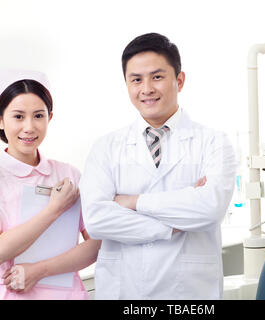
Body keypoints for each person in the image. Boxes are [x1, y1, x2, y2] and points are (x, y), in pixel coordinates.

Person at [79, 33, 236, 299]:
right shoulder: (105, 147)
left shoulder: (213, 142)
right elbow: (96, 220)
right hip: (124, 291)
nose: (147, 88)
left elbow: (209, 209)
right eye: (136, 79)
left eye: (157, 77)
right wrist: (173, 225)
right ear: (127, 84)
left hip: (189, 293)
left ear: (180, 80)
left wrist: (132, 202)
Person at [0, 70, 101, 299]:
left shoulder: (69, 174)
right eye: (18, 116)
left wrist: (39, 270)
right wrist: (54, 209)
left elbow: (96, 244)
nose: (29, 127)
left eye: (38, 115)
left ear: (50, 118)